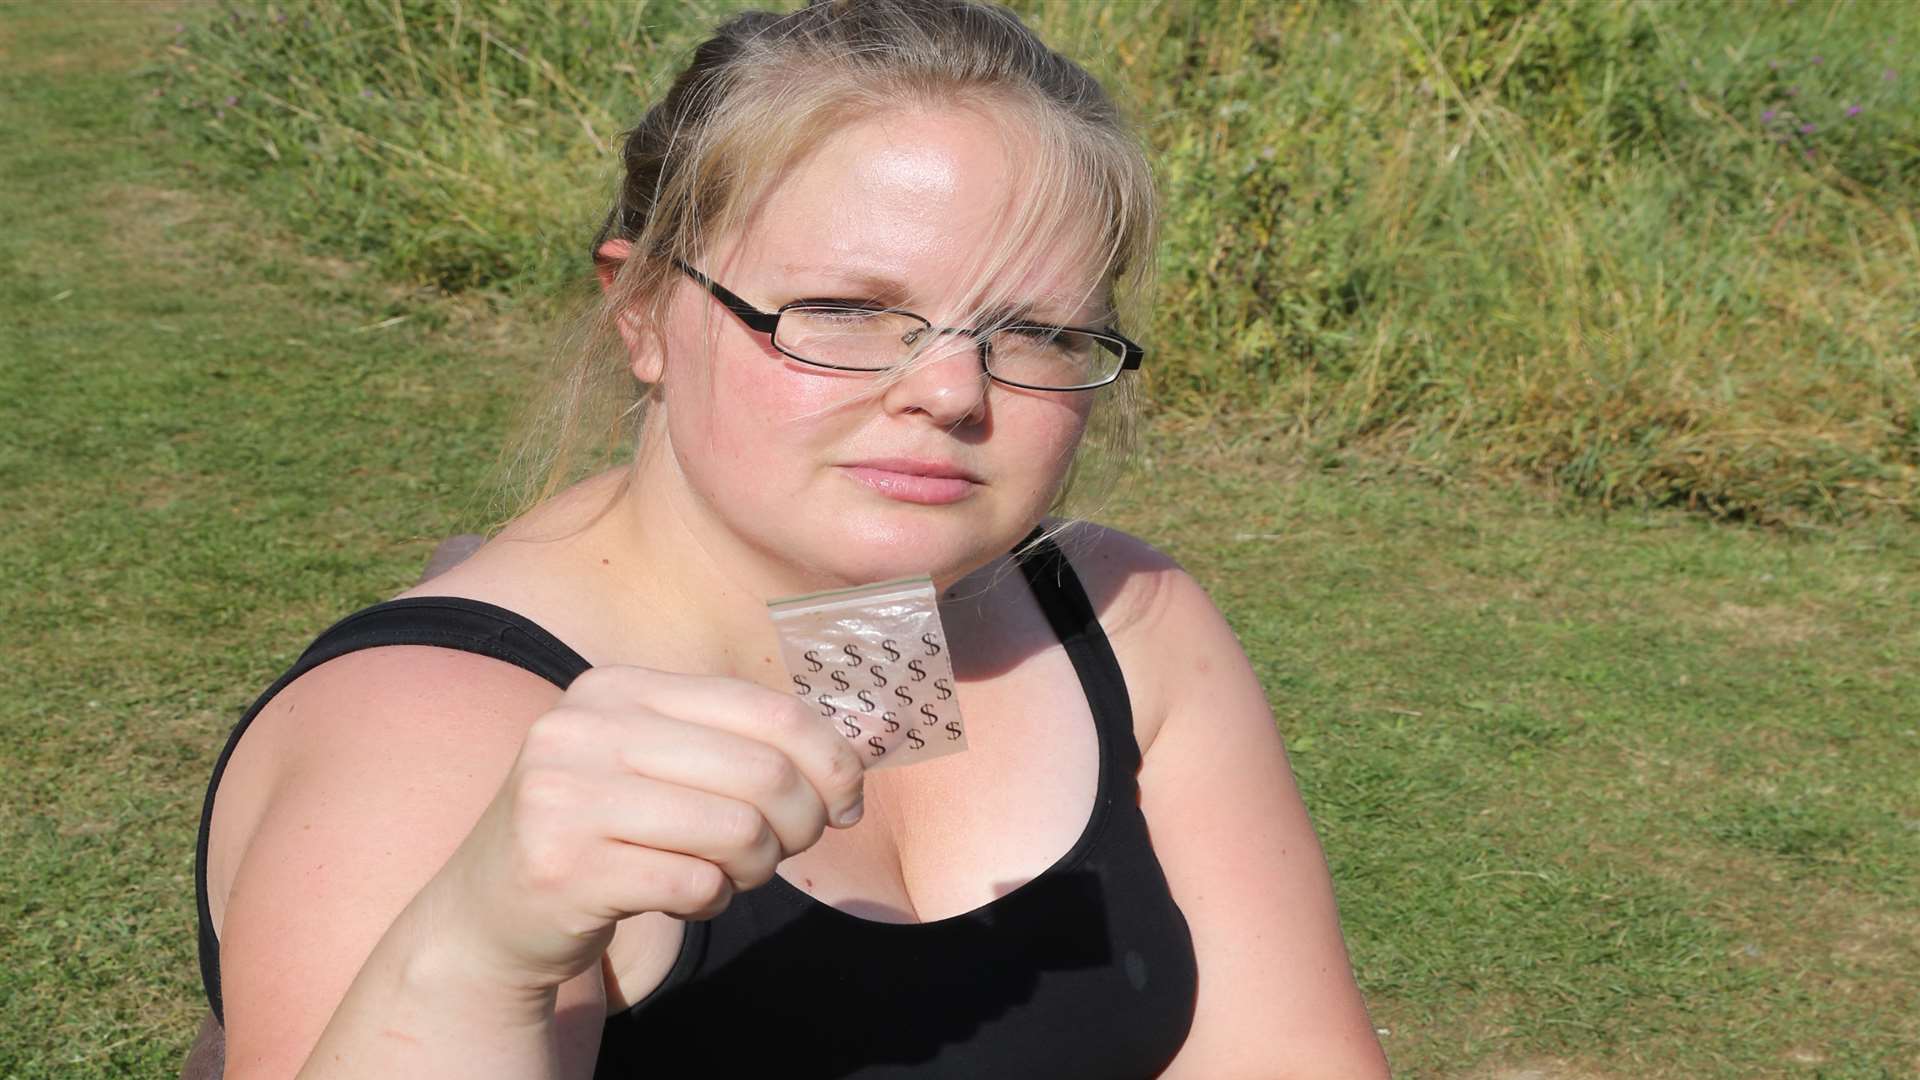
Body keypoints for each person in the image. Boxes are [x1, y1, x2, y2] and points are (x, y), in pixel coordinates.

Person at [191, 1, 1391, 1076]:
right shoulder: (437, 742)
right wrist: (475, 952)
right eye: (849, 311)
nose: (950, 393)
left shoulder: (1116, 619)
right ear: (644, 310)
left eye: (1031, 331)